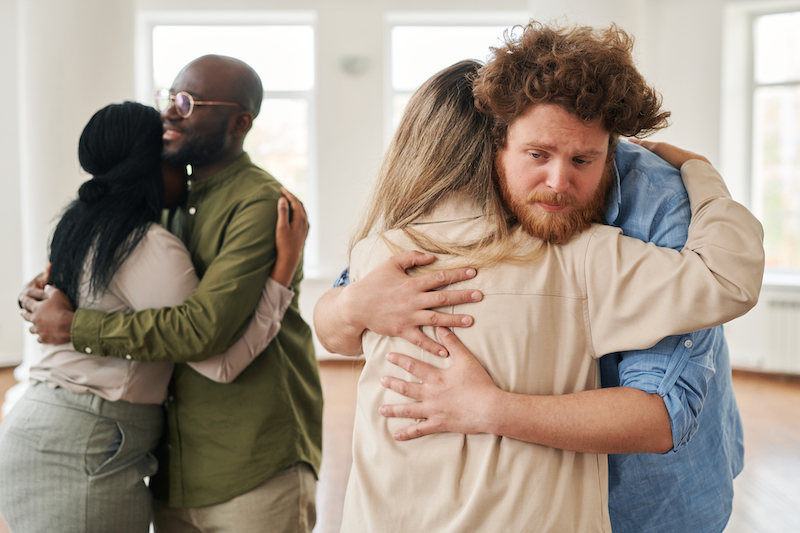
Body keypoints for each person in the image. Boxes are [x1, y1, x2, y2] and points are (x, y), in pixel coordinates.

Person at [314, 22, 753, 533]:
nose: (557, 182)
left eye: (582, 159)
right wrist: (350, 307)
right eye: (536, 154)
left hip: (656, 501)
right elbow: (337, 321)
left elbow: (662, 416)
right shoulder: (408, 243)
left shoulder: (650, 210)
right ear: (495, 145)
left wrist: (488, 408)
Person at [19, 56, 322, 532]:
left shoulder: (260, 203)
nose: (170, 112)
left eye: (188, 101)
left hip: (249, 459)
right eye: (170, 98)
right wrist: (41, 294)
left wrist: (75, 325)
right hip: (166, 466)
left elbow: (202, 332)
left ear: (241, 122)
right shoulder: (163, 206)